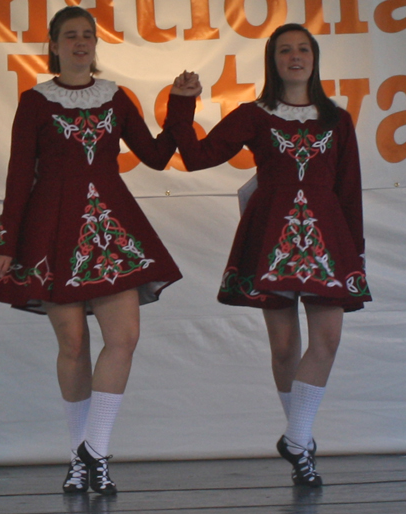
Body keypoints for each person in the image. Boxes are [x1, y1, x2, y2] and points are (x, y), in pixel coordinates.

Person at [167, 23, 371, 487]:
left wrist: (354, 253)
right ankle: (302, 447)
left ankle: (296, 437)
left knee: (328, 339)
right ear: (273, 60)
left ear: (315, 58)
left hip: (327, 242)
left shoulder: (336, 120)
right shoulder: (254, 115)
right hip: (269, 238)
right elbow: (198, 156)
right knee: (284, 346)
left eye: (303, 49)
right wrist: (182, 105)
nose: (294, 56)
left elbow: (349, 191)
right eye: (284, 50)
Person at [0, 6, 182, 496]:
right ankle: (80, 460)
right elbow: (18, 175)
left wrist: (180, 107)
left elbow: (157, 157)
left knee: (125, 338)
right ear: (53, 46)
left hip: (112, 229)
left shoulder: (116, 98)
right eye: (70, 36)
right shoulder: (34, 102)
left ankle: (93, 450)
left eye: (87, 36)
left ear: (96, 45)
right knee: (73, 345)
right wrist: (7, 240)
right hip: (51, 230)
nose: (80, 43)